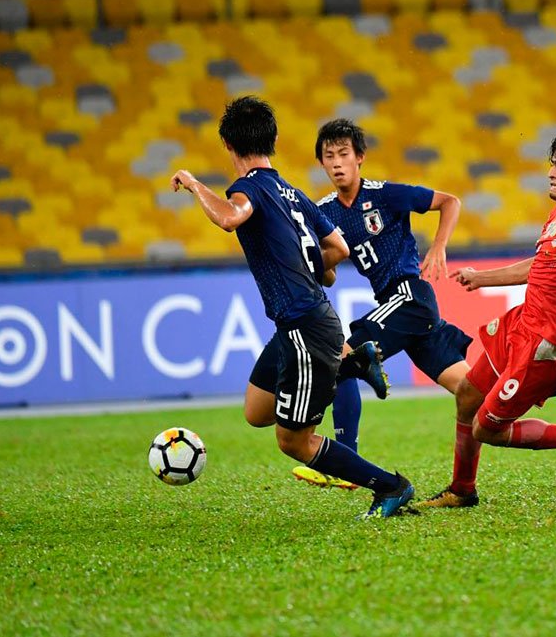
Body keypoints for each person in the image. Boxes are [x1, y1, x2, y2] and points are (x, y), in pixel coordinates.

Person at [284, 119, 556, 497]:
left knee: (343, 356)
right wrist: (322, 269)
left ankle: (344, 460)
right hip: (398, 311)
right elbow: (328, 271)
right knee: (469, 394)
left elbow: (449, 202)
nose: (337, 163)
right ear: (321, 164)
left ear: (360, 158)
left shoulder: (386, 194)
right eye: (329, 157)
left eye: (344, 154)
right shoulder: (325, 212)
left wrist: (438, 246)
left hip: (410, 298)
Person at [170, 96, 413, 518]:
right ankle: (351, 364)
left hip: (305, 327)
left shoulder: (247, 189)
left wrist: (194, 184)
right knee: (256, 411)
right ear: (275, 140)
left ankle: (391, 486)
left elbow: (229, 218)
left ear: (227, 144)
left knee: (293, 441)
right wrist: (314, 268)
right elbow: (338, 245)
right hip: (298, 326)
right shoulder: (294, 193)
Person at [425, 125, 556, 504]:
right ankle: (462, 490)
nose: (552, 172)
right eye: (552, 164)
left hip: (544, 344)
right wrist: (482, 278)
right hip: (520, 325)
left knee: (486, 428)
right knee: (468, 394)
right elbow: (538, 267)